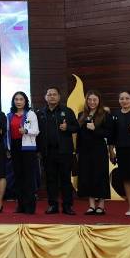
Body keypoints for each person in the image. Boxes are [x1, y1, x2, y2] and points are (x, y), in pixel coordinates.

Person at [36, 87, 79, 215]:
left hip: (64, 151)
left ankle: (67, 206)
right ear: (45, 97)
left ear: (59, 97)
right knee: (50, 180)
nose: (52, 97)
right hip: (47, 152)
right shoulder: (40, 113)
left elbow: (77, 127)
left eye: (54, 94)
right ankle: (52, 205)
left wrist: (67, 127)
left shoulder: (67, 111)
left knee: (65, 179)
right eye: (49, 94)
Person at [76, 90, 113, 215]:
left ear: (99, 101)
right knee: (87, 176)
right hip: (85, 151)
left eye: (95, 100)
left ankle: (101, 205)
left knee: (100, 176)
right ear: (86, 101)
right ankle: (91, 205)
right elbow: (79, 135)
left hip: (99, 150)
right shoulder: (81, 114)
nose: (92, 102)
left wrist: (95, 129)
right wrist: (77, 151)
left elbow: (109, 133)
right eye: (89, 99)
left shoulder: (105, 115)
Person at [6, 92, 39, 214]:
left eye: (21, 99)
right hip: (15, 147)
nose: (18, 101)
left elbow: (36, 131)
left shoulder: (31, 114)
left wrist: (26, 131)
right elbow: (7, 133)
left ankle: (30, 206)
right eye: (16, 99)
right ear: (13, 101)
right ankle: (21, 205)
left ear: (25, 101)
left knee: (28, 177)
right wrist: (8, 148)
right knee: (18, 176)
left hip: (27, 147)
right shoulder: (10, 115)